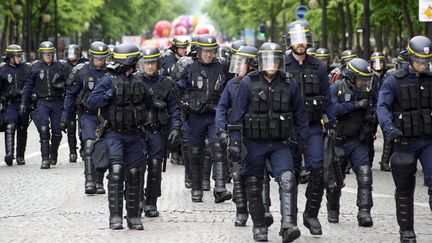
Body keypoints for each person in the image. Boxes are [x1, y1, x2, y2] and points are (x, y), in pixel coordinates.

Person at [229, 42, 308, 242]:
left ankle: (288, 225)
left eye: (275, 60)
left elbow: (300, 115)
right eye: (267, 60)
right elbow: (237, 116)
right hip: (254, 143)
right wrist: (236, 143)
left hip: (280, 143)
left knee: (288, 178)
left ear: (281, 62)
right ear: (261, 62)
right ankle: (259, 226)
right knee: (253, 183)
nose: (271, 64)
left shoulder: (290, 83)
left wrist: (301, 141)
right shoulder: (248, 83)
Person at [87, 43, 162, 230]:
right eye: (136, 61)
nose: (139, 64)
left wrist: (159, 105)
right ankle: (115, 217)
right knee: (117, 171)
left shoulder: (137, 81)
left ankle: (134, 216)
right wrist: (109, 95)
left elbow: (149, 102)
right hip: (114, 134)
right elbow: (91, 101)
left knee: (135, 173)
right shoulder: (108, 80)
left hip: (135, 135)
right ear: (128, 62)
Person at [377, 35, 432, 242]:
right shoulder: (394, 80)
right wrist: (389, 128)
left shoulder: (430, 79)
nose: (423, 64)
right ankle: (406, 231)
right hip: (405, 141)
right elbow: (382, 107)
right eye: (419, 60)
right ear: (410, 58)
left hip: (428, 140)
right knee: (404, 188)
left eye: (427, 61)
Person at [285, 20, 330, 236]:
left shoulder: (318, 66)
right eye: (296, 39)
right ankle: (290, 220)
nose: (300, 43)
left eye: (303, 39)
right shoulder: (282, 65)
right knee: (290, 174)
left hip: (312, 126)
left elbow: (328, 98)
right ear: (290, 41)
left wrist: (331, 119)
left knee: (318, 169)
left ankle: (311, 214)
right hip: (289, 128)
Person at [176, 34, 232, 203]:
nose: (208, 55)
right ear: (198, 51)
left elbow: (230, 88)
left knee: (218, 147)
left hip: (215, 115)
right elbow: (178, 90)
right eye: (205, 51)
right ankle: (196, 187)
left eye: (211, 51)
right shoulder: (189, 68)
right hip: (195, 116)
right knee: (195, 152)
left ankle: (220, 187)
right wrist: (185, 104)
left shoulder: (222, 67)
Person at [329, 57, 374, 228]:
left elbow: (372, 110)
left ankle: (364, 212)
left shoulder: (366, 90)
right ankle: (333, 210)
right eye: (361, 79)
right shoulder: (336, 88)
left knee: (365, 174)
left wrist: (368, 124)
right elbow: (333, 109)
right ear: (351, 77)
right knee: (335, 182)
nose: (364, 83)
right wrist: (355, 105)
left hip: (357, 141)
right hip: (339, 141)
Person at [138, 45, 181, 217]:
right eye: (147, 63)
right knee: (137, 167)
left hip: (157, 130)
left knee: (155, 167)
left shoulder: (166, 83)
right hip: (138, 131)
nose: (150, 66)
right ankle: (138, 198)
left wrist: (176, 126)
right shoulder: (134, 80)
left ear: (158, 64)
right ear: (141, 64)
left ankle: (151, 201)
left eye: (152, 63)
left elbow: (174, 107)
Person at [61, 41, 110, 194]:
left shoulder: (111, 72)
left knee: (103, 147)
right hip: (88, 115)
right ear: (90, 57)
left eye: (103, 58)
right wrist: (65, 117)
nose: (100, 62)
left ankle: (99, 181)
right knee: (89, 145)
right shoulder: (81, 72)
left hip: (106, 116)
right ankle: (89, 181)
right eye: (97, 58)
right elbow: (70, 95)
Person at [21, 41, 66, 169]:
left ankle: (54, 153)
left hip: (56, 102)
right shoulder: (35, 67)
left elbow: (67, 83)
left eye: (50, 53)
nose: (48, 56)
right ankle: (45, 159)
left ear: (53, 54)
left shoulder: (59, 66)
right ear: (41, 54)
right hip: (42, 102)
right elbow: (28, 86)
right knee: (44, 129)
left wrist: (61, 85)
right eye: (46, 54)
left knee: (57, 132)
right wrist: (24, 101)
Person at [0, 44, 31, 166]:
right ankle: (9, 154)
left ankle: (20, 156)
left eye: (20, 55)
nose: (20, 58)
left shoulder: (26, 68)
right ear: (10, 57)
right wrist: (4, 96)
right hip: (10, 104)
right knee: (10, 126)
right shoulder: (3, 70)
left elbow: (31, 84)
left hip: (24, 103)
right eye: (17, 56)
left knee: (22, 129)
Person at [62, 44, 87, 163]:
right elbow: (58, 79)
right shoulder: (63, 65)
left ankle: (84, 148)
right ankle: (72, 152)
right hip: (70, 98)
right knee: (70, 126)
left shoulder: (85, 65)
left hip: (82, 100)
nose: (71, 55)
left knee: (83, 127)